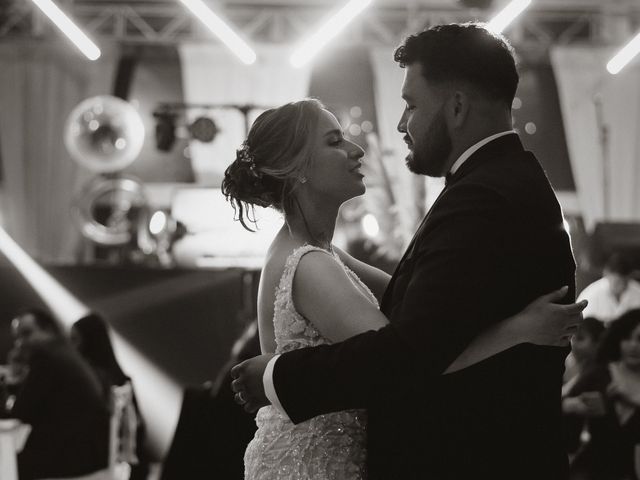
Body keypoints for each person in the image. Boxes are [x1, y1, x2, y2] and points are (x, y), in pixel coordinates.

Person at [230, 23, 582, 480]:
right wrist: (514, 330)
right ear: (297, 170)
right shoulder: (312, 261)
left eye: (411, 105)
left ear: (456, 107)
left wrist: (277, 377)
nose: (393, 128)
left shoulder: (482, 196)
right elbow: (413, 345)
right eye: (335, 141)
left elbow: (408, 349)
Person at [9, 308, 110, 480]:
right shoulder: (65, 352)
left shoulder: (46, 356)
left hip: (67, 458)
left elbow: (20, 412)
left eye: (27, 333)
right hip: (87, 454)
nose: (21, 342)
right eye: (18, 337)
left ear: (48, 329)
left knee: (7, 462)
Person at [70, 312, 150, 480]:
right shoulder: (121, 379)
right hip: (126, 465)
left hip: (97, 467)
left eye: (75, 340)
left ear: (89, 342)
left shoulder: (91, 381)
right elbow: (139, 430)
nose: (71, 348)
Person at [566, 310, 640, 479]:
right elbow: (560, 405)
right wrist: (574, 405)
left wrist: (633, 398)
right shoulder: (600, 374)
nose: (633, 346)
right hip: (593, 470)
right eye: (627, 338)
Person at [579, 253, 640, 324]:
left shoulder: (638, 292)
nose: (621, 286)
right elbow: (581, 327)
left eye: (624, 282)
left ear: (629, 277)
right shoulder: (590, 295)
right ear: (606, 274)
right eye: (617, 282)